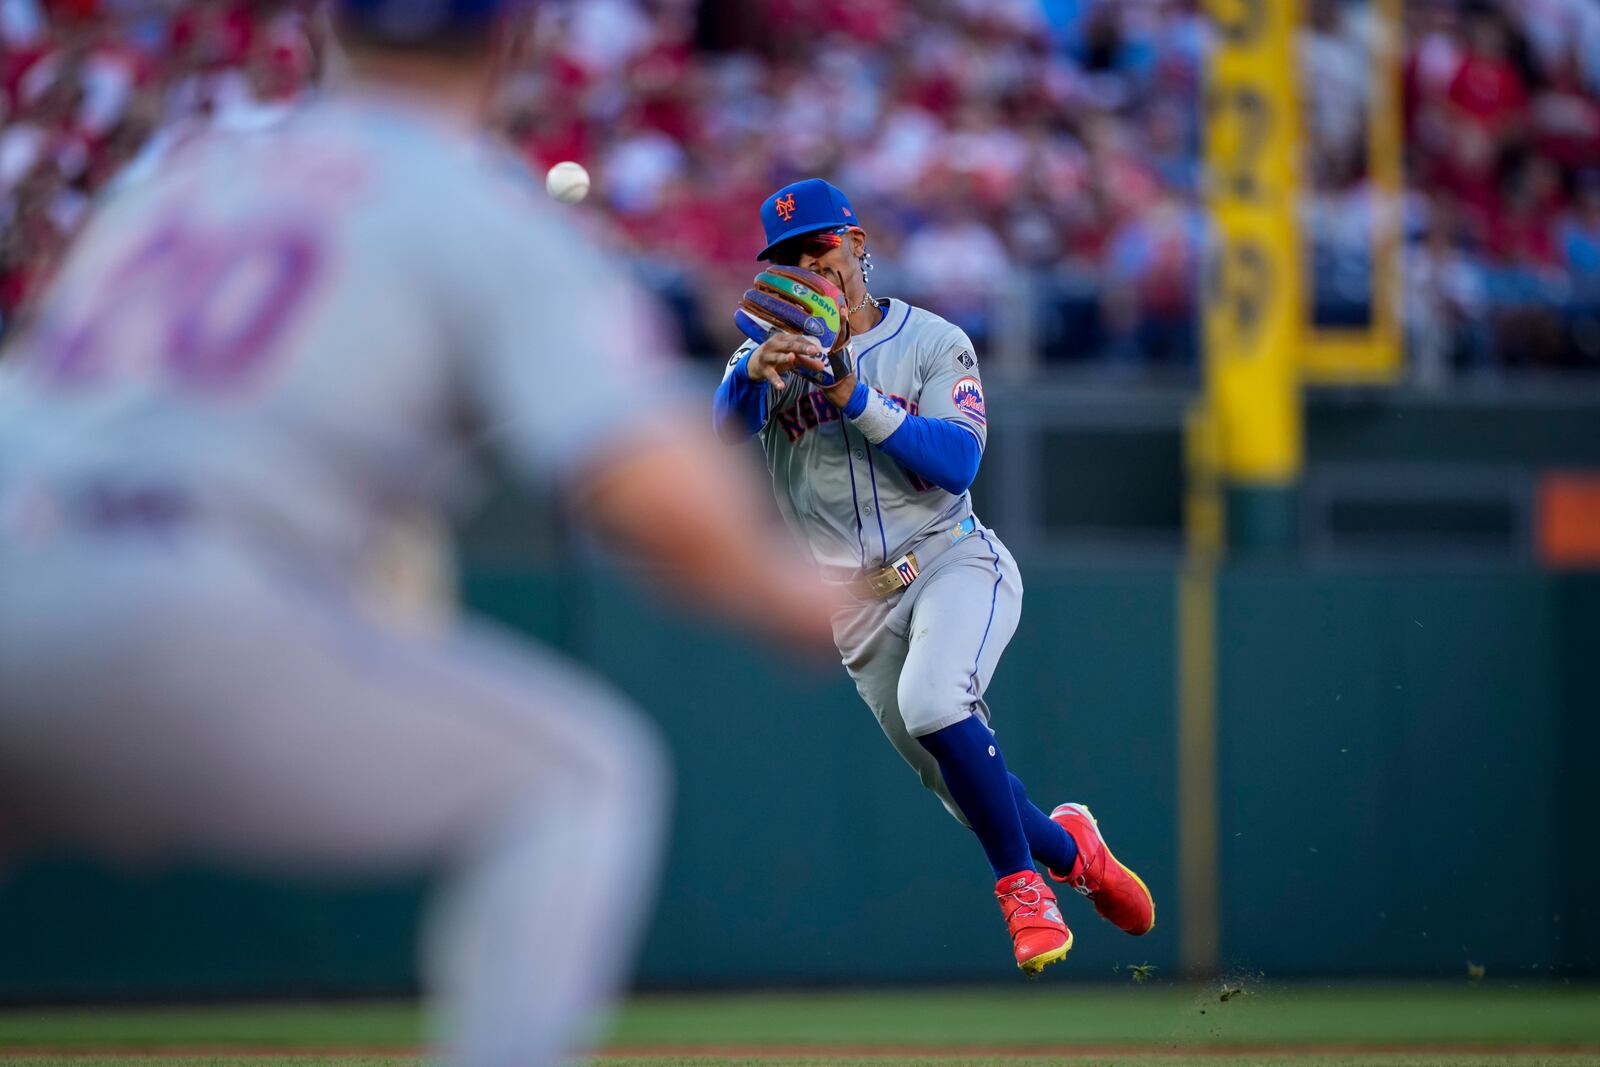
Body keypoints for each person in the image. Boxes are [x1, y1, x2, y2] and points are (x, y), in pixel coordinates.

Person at [0, 3, 837, 1067]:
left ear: (322, 32)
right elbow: (654, 493)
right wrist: (783, 591)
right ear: (511, 42)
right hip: (173, 589)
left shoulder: (181, 174)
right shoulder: (473, 207)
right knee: (579, 775)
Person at [712, 178, 1155, 976]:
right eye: (789, 256)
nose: (811, 263)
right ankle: (1072, 850)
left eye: (822, 246)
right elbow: (722, 430)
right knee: (971, 794)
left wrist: (851, 393)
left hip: (951, 562)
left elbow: (957, 461)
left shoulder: (932, 340)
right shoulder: (765, 357)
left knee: (935, 702)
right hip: (857, 614)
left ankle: (1023, 888)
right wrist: (751, 373)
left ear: (858, 245)